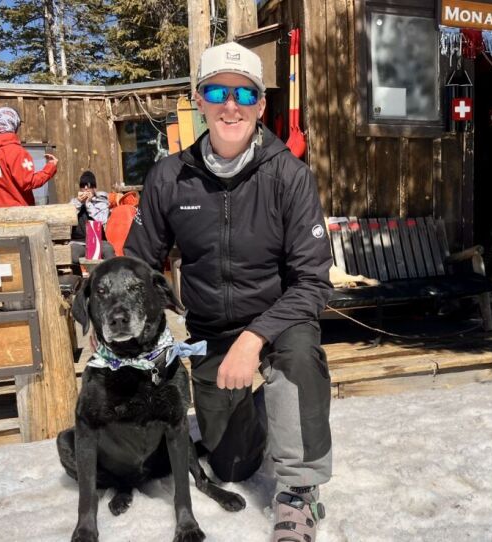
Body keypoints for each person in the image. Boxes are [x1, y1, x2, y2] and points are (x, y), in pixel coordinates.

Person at [124, 41, 333, 542]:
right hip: (211, 331)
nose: (231, 104)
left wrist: (255, 337)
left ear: (261, 105)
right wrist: (126, 331)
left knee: (301, 356)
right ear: (199, 99)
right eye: (218, 91)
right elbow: (137, 268)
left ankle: (299, 494)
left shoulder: (290, 176)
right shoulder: (169, 178)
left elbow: (314, 282)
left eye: (245, 93)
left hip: (279, 324)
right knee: (233, 465)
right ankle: (260, 414)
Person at [0, 107, 58, 207]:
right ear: (15, 124)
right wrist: (50, 168)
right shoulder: (15, 151)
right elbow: (28, 183)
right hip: (16, 216)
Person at [69, 171, 115, 265]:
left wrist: (89, 204)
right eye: (83, 186)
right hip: (79, 242)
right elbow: (67, 216)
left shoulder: (101, 202)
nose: (86, 188)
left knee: (109, 251)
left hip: (99, 240)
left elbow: (102, 220)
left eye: (89, 186)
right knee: (71, 253)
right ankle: (77, 277)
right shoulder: (74, 202)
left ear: (95, 188)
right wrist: (79, 202)